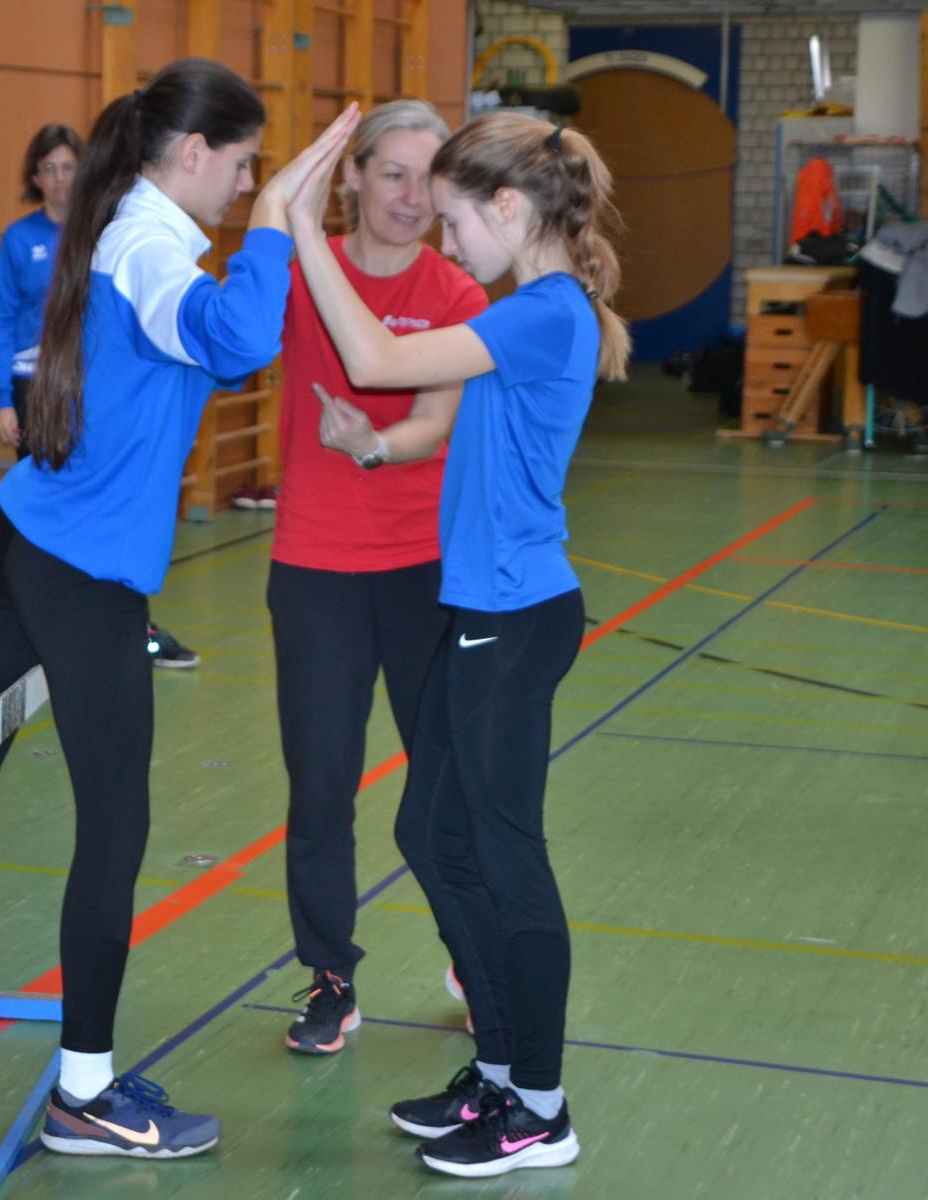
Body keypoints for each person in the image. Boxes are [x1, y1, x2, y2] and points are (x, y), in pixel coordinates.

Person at [0, 59, 360, 1159]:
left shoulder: (137, 230)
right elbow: (238, 340)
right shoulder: (147, 247)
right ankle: (83, 1092)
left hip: (29, 543)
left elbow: (213, 351)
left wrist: (267, 227)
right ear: (192, 154)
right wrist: (276, 221)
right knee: (114, 824)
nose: (244, 183)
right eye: (241, 165)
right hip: (78, 576)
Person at [287, 111, 628, 1178]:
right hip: (479, 608)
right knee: (430, 835)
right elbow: (414, 400)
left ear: (508, 208)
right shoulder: (526, 310)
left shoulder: (541, 314)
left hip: (516, 619)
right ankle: (499, 1068)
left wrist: (297, 222)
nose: (445, 243)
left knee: (502, 856)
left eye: (454, 222)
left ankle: (540, 1108)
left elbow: (374, 355)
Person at [269, 100, 486, 1055]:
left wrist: (369, 444)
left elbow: (433, 423)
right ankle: (328, 977)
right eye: (390, 173)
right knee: (320, 786)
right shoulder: (298, 273)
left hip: (422, 566)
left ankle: (472, 957)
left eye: (426, 179)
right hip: (313, 564)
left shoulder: (454, 291)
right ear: (350, 174)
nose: (409, 197)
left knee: (444, 785)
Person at [0, 122, 202, 670]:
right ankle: (44, 633)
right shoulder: (19, 240)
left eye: (68, 167)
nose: (59, 179)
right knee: (48, 519)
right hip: (34, 388)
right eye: (48, 169)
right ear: (35, 177)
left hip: (89, 390)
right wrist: (1, 400)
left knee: (110, 506)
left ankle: (133, 627)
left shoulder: (105, 233)